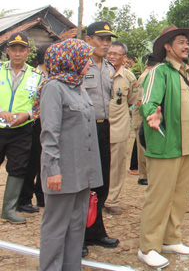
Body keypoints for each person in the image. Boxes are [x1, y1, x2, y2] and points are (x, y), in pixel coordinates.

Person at [138, 26, 189, 269]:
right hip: (166, 145)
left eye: (187, 42)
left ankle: (171, 238)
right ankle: (148, 247)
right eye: (180, 41)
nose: (186, 45)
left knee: (179, 197)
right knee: (159, 197)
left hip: (187, 147)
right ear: (167, 46)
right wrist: (151, 116)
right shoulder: (160, 72)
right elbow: (149, 102)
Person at [36, 39, 103, 271]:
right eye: (85, 58)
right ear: (69, 59)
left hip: (82, 172)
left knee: (76, 227)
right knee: (56, 228)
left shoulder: (78, 86)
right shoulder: (54, 87)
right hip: (62, 172)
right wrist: (52, 170)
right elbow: (49, 134)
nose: (89, 62)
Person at [82, 21, 119, 253]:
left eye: (109, 40)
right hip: (84, 129)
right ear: (88, 40)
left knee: (101, 182)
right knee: (84, 184)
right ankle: (80, 235)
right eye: (101, 39)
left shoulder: (108, 67)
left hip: (104, 128)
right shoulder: (80, 65)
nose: (106, 44)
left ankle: (96, 231)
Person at [0, 32, 43, 224]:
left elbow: (40, 103)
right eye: (14, 49)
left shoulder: (37, 75)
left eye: (22, 50)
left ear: (28, 52)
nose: (17, 53)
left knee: (18, 168)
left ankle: (8, 209)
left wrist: (27, 114)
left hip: (22, 129)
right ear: (7, 51)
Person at [17, 42, 51, 213]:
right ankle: (24, 199)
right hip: (33, 123)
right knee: (31, 162)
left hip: (47, 122)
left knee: (46, 161)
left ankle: (42, 196)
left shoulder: (53, 75)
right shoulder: (33, 75)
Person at [105, 42, 138, 215]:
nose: (111, 56)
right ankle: (95, 197)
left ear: (124, 58)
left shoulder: (129, 78)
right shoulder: (94, 73)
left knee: (116, 167)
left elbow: (132, 100)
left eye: (116, 54)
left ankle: (111, 200)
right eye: (109, 53)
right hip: (98, 127)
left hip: (118, 128)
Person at [131, 54, 158, 186]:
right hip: (141, 117)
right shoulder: (145, 76)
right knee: (142, 148)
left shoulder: (149, 75)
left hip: (145, 117)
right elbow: (141, 101)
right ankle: (143, 175)